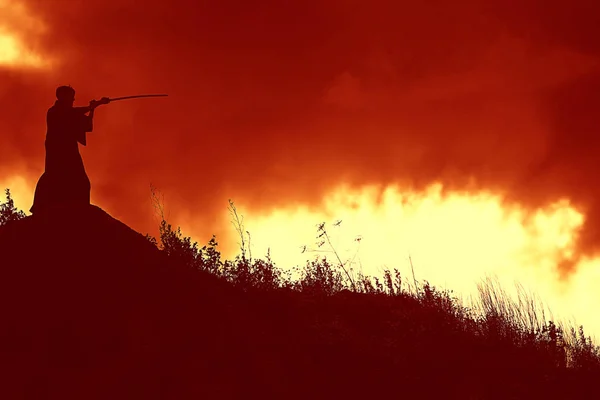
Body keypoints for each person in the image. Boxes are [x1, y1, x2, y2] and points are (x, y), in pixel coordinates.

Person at [30, 86, 109, 215]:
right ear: (61, 96)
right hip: (59, 151)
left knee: (81, 181)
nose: (73, 99)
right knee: (57, 177)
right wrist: (94, 106)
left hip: (69, 149)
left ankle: (78, 210)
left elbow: (80, 120)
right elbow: (72, 114)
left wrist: (94, 108)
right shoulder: (54, 112)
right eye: (70, 96)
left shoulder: (67, 112)